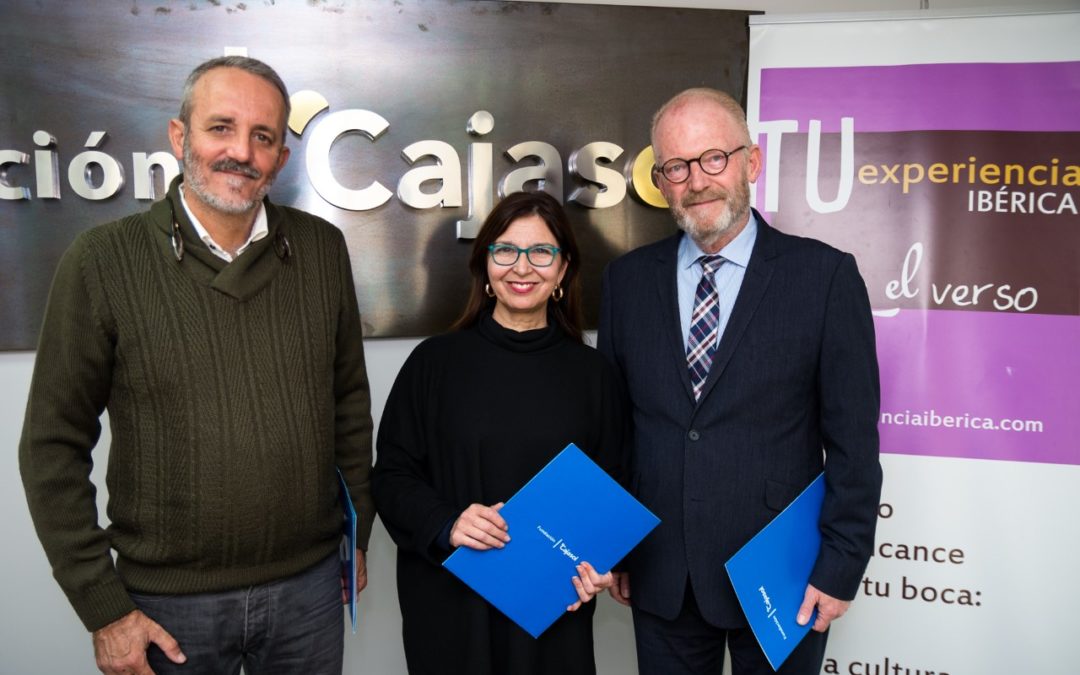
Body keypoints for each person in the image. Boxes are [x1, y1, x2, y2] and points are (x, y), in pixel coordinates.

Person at [18, 56, 375, 675]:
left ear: (280, 160)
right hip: (166, 605)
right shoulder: (103, 261)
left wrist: (357, 531)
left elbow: (348, 403)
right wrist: (104, 608)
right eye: (221, 127)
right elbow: (51, 446)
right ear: (179, 137)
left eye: (263, 136)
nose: (242, 151)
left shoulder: (321, 250)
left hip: (309, 594)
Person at [597, 88, 882, 674]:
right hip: (662, 571)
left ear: (751, 162)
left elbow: (854, 441)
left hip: (783, 575)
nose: (696, 181)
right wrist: (615, 542)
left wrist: (841, 564)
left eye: (713, 159)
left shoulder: (824, 277)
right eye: (676, 166)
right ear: (661, 180)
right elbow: (617, 428)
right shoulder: (625, 283)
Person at [372, 191, 625, 675]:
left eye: (541, 252)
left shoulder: (594, 375)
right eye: (505, 250)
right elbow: (392, 477)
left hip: (553, 612)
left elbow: (615, 488)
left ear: (563, 268)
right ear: (485, 263)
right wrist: (447, 522)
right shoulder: (434, 363)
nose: (522, 267)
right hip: (451, 612)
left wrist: (601, 563)